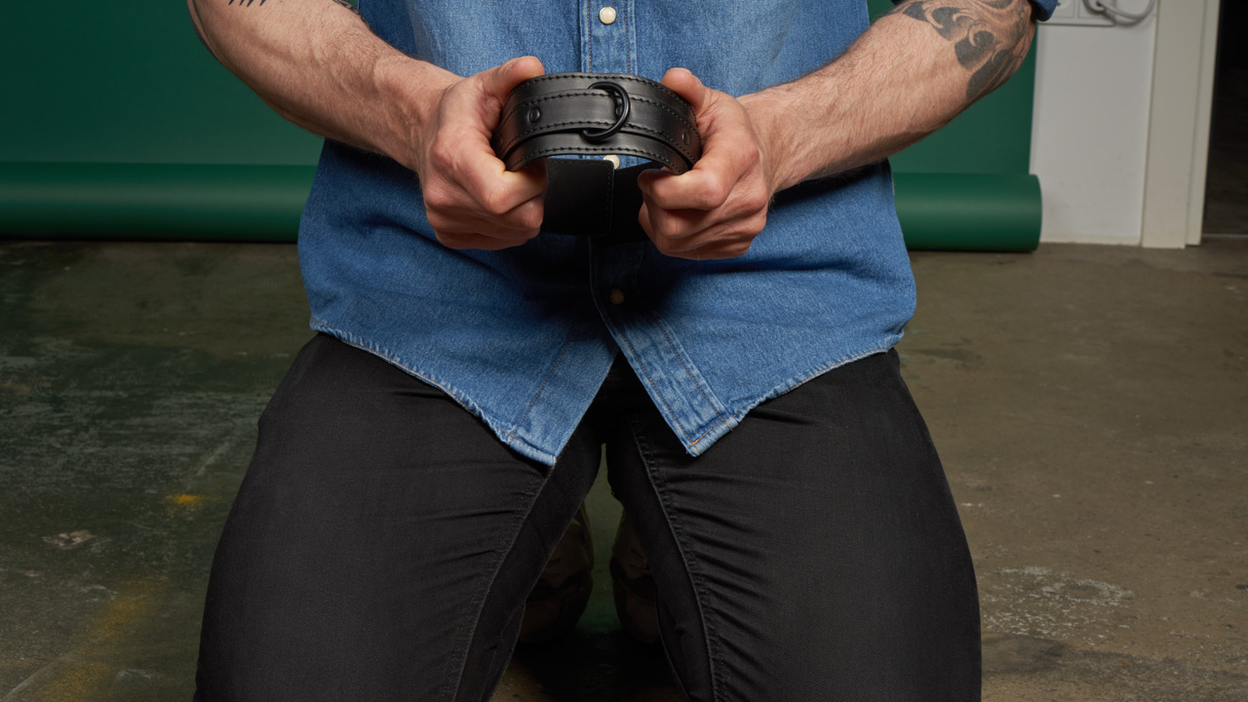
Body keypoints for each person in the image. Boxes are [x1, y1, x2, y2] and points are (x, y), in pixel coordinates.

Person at [188, 0, 1055, 699]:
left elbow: (993, 8)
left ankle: (659, 527)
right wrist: (414, 116)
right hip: (442, 289)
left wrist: (782, 137)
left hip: (769, 290)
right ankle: (544, 511)